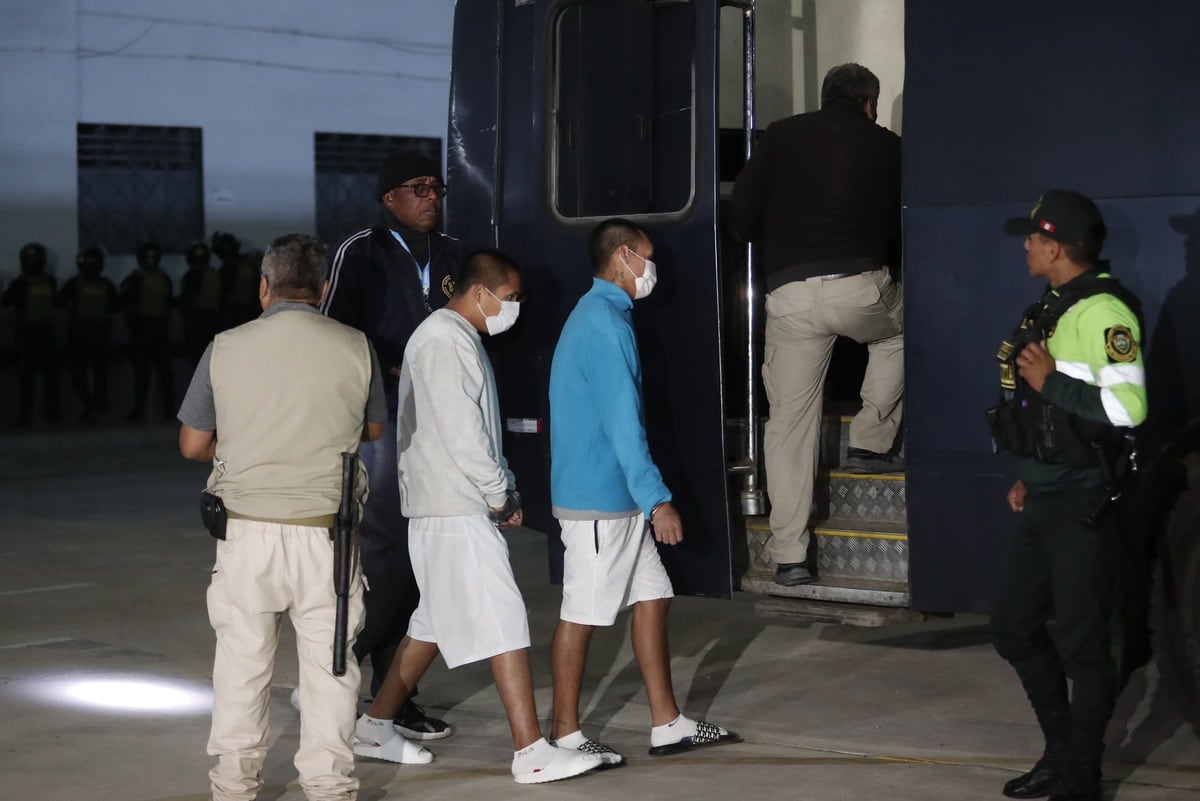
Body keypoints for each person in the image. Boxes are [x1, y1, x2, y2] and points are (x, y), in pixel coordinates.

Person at [352, 250, 601, 785]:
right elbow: (462, 432)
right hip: (452, 507)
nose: (514, 307)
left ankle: (374, 726)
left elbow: (475, 428)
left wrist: (501, 488)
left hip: (448, 505)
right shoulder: (443, 340)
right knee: (503, 619)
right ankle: (530, 751)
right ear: (480, 292)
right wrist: (498, 494)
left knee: (432, 624)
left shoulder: (454, 337)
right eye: (510, 298)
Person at [177, 233, 387, 801]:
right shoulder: (356, 345)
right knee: (331, 670)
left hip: (246, 533)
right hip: (327, 536)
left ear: (264, 286)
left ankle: (234, 787)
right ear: (322, 289)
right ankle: (329, 787)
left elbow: (193, 444)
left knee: (242, 667)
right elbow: (372, 430)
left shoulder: (226, 345)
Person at [547, 218, 738, 764]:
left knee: (653, 596)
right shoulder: (604, 323)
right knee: (581, 612)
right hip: (600, 502)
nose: (653, 270)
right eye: (648, 258)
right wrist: (658, 498)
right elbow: (622, 424)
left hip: (616, 497)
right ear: (623, 257)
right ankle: (564, 733)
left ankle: (667, 722)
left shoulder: (599, 316)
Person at [987, 190, 1147, 801]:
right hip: (1049, 491)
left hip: (1085, 500)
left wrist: (1048, 380)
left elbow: (1129, 408)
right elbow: (1049, 415)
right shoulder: (1056, 305)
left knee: (1084, 645)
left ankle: (1083, 773)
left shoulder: (1105, 312)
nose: (1025, 245)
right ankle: (1062, 753)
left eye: (1032, 238)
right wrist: (1031, 469)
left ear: (1056, 248)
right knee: (1013, 628)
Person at [730, 62, 904, 587]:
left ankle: (789, 556)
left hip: (789, 294)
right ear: (869, 104)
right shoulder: (888, 145)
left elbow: (740, 217)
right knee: (903, 330)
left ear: (824, 97)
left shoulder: (781, 136)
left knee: (788, 425)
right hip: (859, 286)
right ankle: (871, 442)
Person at [321, 149, 460, 738]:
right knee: (387, 552)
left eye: (436, 186)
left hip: (442, 417)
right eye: (417, 187)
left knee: (426, 556)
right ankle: (339, 677)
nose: (431, 195)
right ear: (389, 198)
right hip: (382, 414)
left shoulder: (455, 254)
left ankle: (392, 697)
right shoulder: (364, 250)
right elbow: (334, 335)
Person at [2, 242, 61, 427]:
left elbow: (6, 302)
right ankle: (47, 415)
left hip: (32, 334)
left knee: (33, 380)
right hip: (37, 334)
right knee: (41, 379)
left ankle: (30, 416)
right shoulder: (48, 281)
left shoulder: (21, 283)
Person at [56, 247, 118, 423]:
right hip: (85, 334)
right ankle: (92, 407)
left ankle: (93, 408)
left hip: (91, 334)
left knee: (94, 376)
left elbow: (114, 308)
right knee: (83, 375)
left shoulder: (97, 284)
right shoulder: (79, 284)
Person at [121, 240, 175, 421]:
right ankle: (167, 409)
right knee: (160, 373)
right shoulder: (161, 278)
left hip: (146, 330)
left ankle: (144, 410)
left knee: (148, 374)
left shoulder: (136, 278)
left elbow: (126, 302)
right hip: (154, 330)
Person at [179, 240, 222, 365]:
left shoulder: (191, 276)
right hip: (213, 321)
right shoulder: (215, 273)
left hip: (198, 322)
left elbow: (189, 301)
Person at [214, 231, 260, 331]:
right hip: (249, 310)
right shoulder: (249, 264)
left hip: (234, 311)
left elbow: (224, 292)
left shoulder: (229, 267)